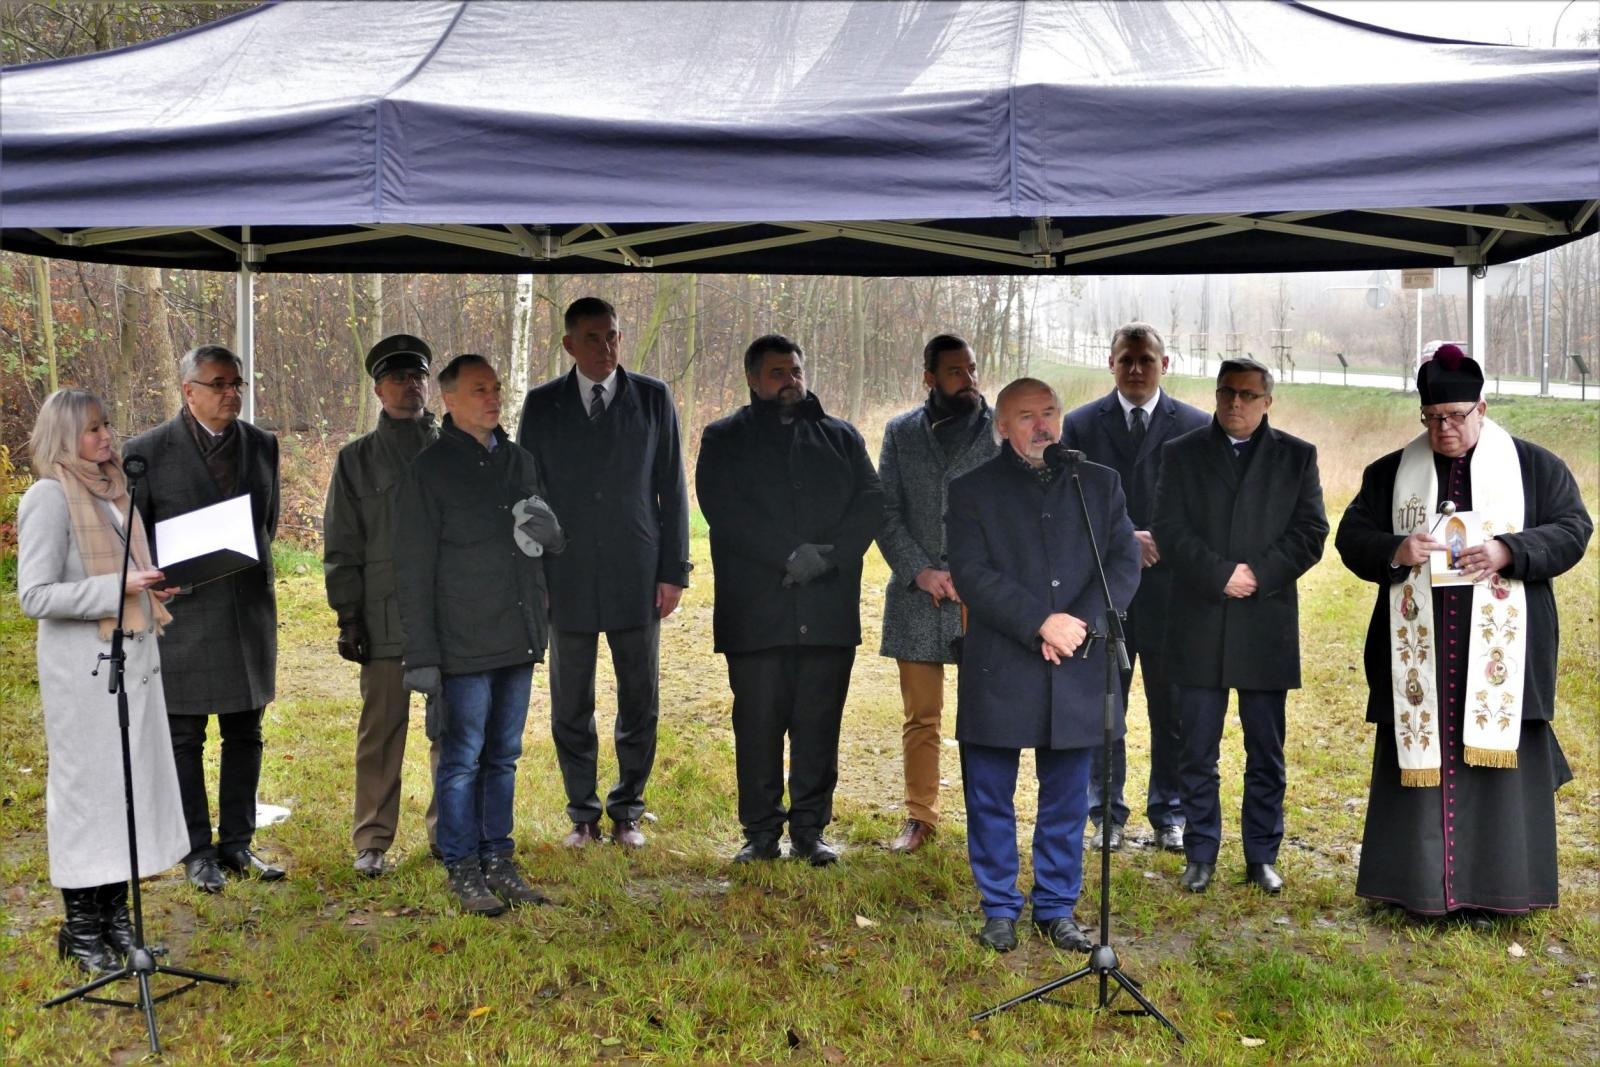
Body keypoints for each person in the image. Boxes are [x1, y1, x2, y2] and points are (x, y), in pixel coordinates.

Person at [1334, 346, 1591, 921]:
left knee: (1498, 772)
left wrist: (1509, 550)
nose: (1442, 429)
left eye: (1454, 416)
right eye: (1431, 418)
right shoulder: (1391, 473)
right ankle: (1415, 891)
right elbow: (1350, 537)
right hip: (1420, 658)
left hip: (1502, 656)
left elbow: (1574, 529)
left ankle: (1498, 894)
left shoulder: (1534, 467)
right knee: (1417, 767)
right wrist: (1396, 549)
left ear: (1482, 408)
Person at [946, 377, 1140, 952]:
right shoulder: (972, 489)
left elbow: (1123, 561)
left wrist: (1075, 623)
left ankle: (1056, 907)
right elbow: (972, 574)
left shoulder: (1098, 483)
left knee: (1067, 797)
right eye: (1027, 416)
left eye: (1050, 412)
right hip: (1000, 662)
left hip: (1077, 659)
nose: (1042, 426)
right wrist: (1039, 623)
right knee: (989, 795)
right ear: (1001, 426)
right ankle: (999, 907)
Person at [17, 389, 189, 974]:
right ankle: (80, 928)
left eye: (106, 425)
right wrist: (119, 588)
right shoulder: (48, 497)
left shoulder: (117, 492)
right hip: (83, 675)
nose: (106, 436)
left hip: (133, 666)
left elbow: (127, 576)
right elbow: (35, 596)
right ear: (65, 436)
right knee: (88, 799)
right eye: (92, 429)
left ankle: (117, 921)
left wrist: (153, 586)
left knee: (125, 794)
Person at [696, 334, 884, 866]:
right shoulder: (724, 438)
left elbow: (872, 501)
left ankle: (809, 830)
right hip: (757, 611)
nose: (790, 381)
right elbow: (723, 510)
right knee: (758, 726)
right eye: (778, 372)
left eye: (796, 370)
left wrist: (828, 558)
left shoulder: (841, 437)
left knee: (818, 726)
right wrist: (787, 555)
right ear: (753, 379)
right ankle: (760, 833)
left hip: (827, 610)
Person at [516, 297, 691, 851]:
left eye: (612, 335)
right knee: (571, 700)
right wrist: (535, 573)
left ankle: (627, 811)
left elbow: (672, 487)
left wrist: (673, 571)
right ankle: (583, 813)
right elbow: (527, 493)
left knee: (639, 696)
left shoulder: (653, 398)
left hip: (636, 570)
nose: (605, 347)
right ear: (569, 344)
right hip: (564, 573)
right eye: (592, 338)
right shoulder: (543, 404)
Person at [394, 354, 564, 916]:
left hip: (516, 632)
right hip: (460, 640)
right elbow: (412, 569)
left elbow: (539, 543)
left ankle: (499, 859)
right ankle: (462, 865)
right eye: (478, 390)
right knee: (462, 758)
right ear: (448, 400)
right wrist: (421, 654)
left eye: (495, 388)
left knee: (504, 755)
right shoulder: (429, 470)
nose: (493, 398)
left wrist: (553, 538)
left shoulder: (520, 461)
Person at [1152, 357, 1327, 895]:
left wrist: (1258, 575)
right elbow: (1168, 529)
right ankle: (1201, 851)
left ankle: (1261, 855)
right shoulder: (1181, 453)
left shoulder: (1297, 456)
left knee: (1265, 750)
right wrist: (1219, 575)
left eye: (1248, 395)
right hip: (1199, 619)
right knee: (1196, 748)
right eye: (1227, 392)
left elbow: (1311, 532)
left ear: (1267, 401)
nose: (1236, 403)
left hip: (1264, 622)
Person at [126, 344, 285, 892]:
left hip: (248, 609)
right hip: (183, 613)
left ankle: (237, 842)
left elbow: (268, 524)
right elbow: (134, 539)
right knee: (184, 737)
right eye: (219, 384)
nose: (231, 393)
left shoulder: (262, 445)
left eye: (236, 383)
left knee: (246, 731)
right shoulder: (146, 452)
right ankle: (196, 850)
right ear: (188, 390)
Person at [1062, 322, 1208, 855]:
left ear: (1164, 365)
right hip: (1105, 590)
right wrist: (1126, 538)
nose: (1137, 369)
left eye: (1146, 360)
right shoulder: (1080, 425)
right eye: (1126, 359)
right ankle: (1106, 813)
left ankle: (1170, 812)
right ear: (1111, 364)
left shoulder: (1196, 425)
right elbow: (1069, 503)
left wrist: (1164, 538)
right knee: (1106, 706)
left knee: (1172, 709)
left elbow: (1205, 507)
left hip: (1172, 592)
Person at [323, 334, 441, 877]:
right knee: (382, 731)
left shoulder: (453, 446)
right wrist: (349, 617)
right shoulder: (356, 460)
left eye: (417, 376)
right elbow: (342, 544)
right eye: (397, 378)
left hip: (449, 614)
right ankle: (372, 839)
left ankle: (450, 833)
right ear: (378, 390)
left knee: (451, 730)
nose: (409, 385)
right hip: (384, 615)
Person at [874, 334, 997, 854]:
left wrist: (979, 574)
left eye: (971, 369)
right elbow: (884, 510)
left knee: (985, 715)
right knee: (921, 716)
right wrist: (920, 570)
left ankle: (986, 817)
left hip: (983, 598)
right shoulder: (901, 433)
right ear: (929, 377)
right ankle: (920, 815)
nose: (968, 379)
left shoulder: (1000, 431)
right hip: (917, 596)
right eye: (954, 371)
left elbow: (1013, 512)